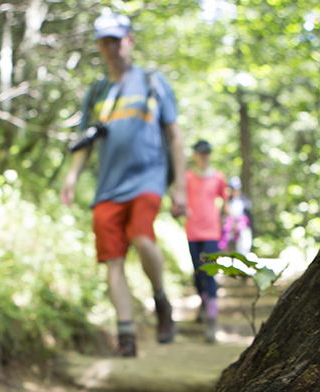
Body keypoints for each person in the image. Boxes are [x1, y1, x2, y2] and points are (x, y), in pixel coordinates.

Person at [60, 12, 187, 358]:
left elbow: (175, 137)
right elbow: (86, 141)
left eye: (117, 40)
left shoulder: (153, 82)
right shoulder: (98, 91)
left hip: (148, 178)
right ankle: (126, 335)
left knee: (143, 237)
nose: (111, 47)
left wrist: (181, 188)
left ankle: (161, 299)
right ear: (99, 46)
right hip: (108, 188)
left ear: (130, 40)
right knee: (112, 260)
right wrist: (71, 177)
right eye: (105, 41)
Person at [184, 140, 227, 343]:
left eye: (206, 153)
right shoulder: (187, 177)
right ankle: (203, 303)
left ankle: (212, 320)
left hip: (211, 232)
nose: (204, 156)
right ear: (194, 155)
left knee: (209, 274)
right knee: (197, 273)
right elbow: (180, 201)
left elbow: (225, 203)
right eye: (200, 153)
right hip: (192, 231)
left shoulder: (219, 177)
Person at [220, 176, 254, 258]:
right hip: (229, 230)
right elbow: (223, 216)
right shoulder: (227, 202)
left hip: (243, 229)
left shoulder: (244, 200)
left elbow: (249, 216)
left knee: (244, 242)